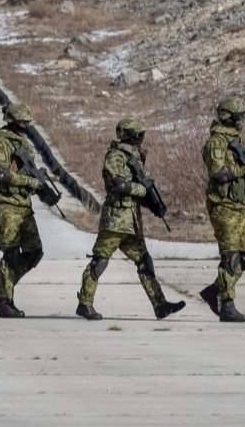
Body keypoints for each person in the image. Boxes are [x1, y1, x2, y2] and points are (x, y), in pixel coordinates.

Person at [74, 118, 186, 321]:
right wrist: (142, 190)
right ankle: (85, 303)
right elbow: (119, 185)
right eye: (140, 134)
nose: (143, 138)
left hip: (131, 222)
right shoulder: (116, 156)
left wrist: (153, 203)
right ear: (133, 135)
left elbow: (143, 187)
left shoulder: (135, 157)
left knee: (145, 262)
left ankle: (160, 305)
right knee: (100, 261)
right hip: (116, 219)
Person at [0, 103, 58, 318]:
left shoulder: (23, 144)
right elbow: (1, 175)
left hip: (23, 204)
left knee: (34, 252)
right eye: (22, 124)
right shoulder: (0, 143)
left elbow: (28, 176)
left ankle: (2, 287)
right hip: (6, 202)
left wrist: (42, 188)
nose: (25, 127)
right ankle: (6, 301)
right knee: (11, 252)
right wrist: (30, 182)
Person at [199, 97, 245, 323]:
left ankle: (215, 290)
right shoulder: (217, 142)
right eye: (239, 116)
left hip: (241, 207)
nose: (242, 120)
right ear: (229, 117)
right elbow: (218, 173)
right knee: (231, 257)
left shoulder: (239, 141)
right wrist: (243, 171)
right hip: (223, 206)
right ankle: (227, 306)